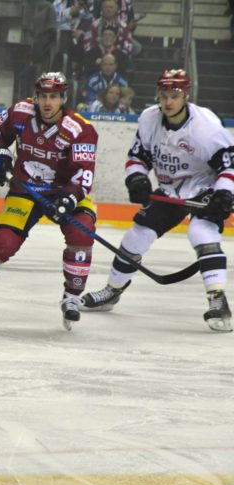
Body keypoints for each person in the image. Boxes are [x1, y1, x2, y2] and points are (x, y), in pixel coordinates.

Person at [81, 69, 234, 332]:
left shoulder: (205, 127)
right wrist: (137, 179)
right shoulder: (149, 119)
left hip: (204, 186)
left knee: (201, 232)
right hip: (170, 188)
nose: (168, 102)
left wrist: (223, 193)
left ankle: (218, 299)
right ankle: (113, 290)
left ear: (185, 95)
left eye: (174, 95)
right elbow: (138, 157)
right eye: (163, 95)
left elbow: (229, 165)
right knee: (136, 236)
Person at [0, 72, 99, 329]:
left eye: (53, 97)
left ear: (63, 98)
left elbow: (83, 175)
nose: (48, 103)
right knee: (4, 243)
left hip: (65, 191)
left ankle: (72, 297)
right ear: (36, 97)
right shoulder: (20, 112)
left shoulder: (80, 129)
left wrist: (69, 199)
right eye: (43, 96)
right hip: (26, 188)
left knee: (82, 235)